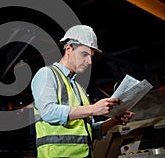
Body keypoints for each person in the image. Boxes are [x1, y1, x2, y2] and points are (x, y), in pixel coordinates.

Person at [31, 25, 135, 158]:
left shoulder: (79, 89)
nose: (89, 61)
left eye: (91, 56)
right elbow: (48, 112)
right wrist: (93, 109)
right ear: (68, 49)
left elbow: (88, 131)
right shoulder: (47, 74)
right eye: (84, 54)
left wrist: (114, 121)